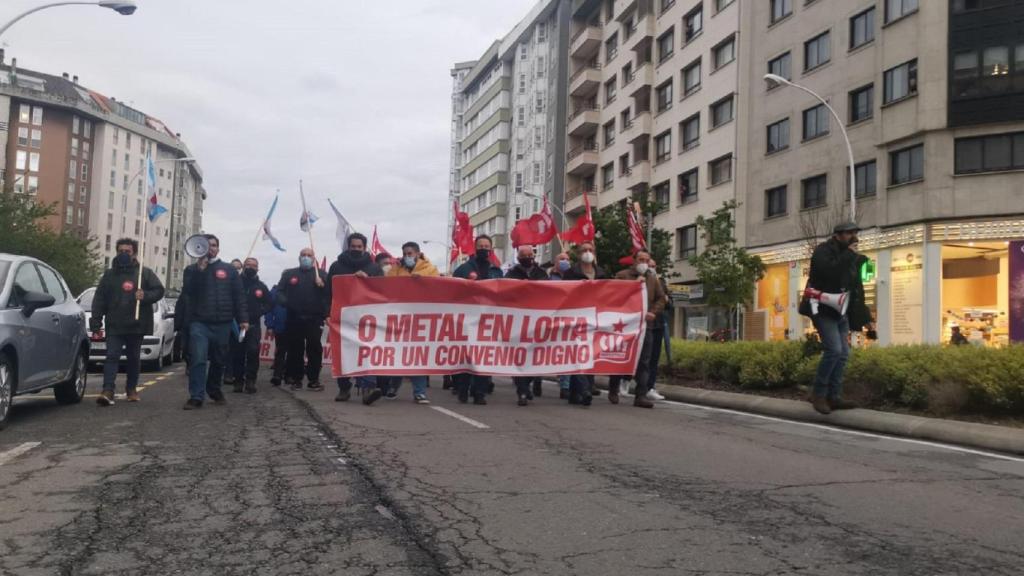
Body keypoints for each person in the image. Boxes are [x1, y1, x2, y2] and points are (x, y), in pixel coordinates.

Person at [90, 238, 165, 406]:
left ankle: (131, 388)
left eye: (128, 251)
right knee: (111, 356)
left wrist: (145, 296)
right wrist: (96, 322)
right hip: (114, 323)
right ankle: (108, 390)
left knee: (133, 358)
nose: (124, 254)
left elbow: (159, 290)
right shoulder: (109, 275)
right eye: (121, 251)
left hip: (136, 323)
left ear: (134, 254)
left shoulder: (143, 273)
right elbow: (100, 299)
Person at [181, 235, 247, 410]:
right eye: (207, 245)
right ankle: (196, 396)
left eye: (214, 245)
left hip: (223, 322)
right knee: (199, 359)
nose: (211, 248)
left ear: (218, 248)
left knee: (219, 360)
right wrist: (200, 271)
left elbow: (239, 296)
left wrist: (243, 319)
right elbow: (188, 291)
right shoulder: (191, 270)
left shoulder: (229, 270)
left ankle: (214, 389)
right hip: (199, 322)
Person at [804, 222, 860, 415]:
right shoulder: (823, 251)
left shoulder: (849, 255)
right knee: (834, 350)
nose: (852, 236)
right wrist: (850, 255)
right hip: (822, 307)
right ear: (837, 235)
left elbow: (852, 283)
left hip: (839, 308)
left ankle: (833, 396)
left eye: (854, 233)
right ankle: (818, 394)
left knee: (843, 353)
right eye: (849, 233)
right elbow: (830, 273)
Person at [329, 233, 385, 404]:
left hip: (366, 317)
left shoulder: (374, 268)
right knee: (343, 352)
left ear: (364, 247)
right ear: (348, 246)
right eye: (353, 246)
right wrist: (326, 313)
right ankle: (344, 388)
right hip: (342, 316)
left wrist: (367, 281)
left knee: (366, 351)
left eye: (359, 247)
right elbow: (328, 292)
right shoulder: (336, 266)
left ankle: (368, 388)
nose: (356, 249)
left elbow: (382, 292)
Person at [609, 249, 664, 409]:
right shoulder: (622, 275)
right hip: (625, 325)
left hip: (645, 325)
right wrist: (634, 285)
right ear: (634, 261)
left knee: (644, 361)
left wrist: (653, 312)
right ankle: (613, 388)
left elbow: (661, 298)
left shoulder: (653, 279)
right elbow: (613, 295)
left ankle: (640, 395)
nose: (644, 263)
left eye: (646, 260)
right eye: (641, 260)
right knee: (621, 356)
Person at [452, 235, 504, 404]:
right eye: (480, 245)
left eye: (486, 245)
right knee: (467, 355)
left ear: (491, 248)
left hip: (488, 319)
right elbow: (453, 291)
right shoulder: (463, 269)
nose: (484, 248)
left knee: (483, 356)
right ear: (475, 248)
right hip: (468, 318)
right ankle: (463, 388)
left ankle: (479, 392)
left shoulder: (496, 270)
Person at [386, 241, 440, 404]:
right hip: (400, 317)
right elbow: (387, 287)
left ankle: (420, 392)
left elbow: (438, 287)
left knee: (417, 356)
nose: (407, 257)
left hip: (420, 318)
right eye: (405, 254)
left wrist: (422, 280)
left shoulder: (430, 269)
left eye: (410, 253)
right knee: (399, 355)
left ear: (418, 253)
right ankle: (393, 388)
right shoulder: (396, 269)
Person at [277, 247, 330, 392]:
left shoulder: (322, 274)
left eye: (309, 255)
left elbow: (329, 295)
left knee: (314, 348)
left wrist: (323, 285)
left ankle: (313, 380)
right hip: (294, 317)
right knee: (295, 349)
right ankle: (296, 379)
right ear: (299, 257)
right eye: (303, 255)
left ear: (314, 258)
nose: (305, 257)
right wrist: (286, 302)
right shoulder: (290, 274)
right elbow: (279, 291)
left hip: (314, 318)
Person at [563, 241, 609, 405]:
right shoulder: (570, 273)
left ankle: (575, 393)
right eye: (584, 250)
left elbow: (609, 293)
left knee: (590, 354)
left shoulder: (602, 273)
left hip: (595, 319)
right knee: (578, 353)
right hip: (576, 318)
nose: (588, 252)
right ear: (578, 254)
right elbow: (563, 294)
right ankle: (585, 389)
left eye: (590, 250)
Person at [505, 245, 549, 406]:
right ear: (518, 258)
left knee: (536, 357)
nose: (528, 257)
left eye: (531, 254)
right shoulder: (512, 274)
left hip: (538, 319)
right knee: (520, 356)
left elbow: (550, 293)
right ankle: (522, 391)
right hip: (518, 320)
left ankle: (527, 385)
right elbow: (506, 293)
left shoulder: (542, 273)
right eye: (525, 255)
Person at [231, 257, 271, 394]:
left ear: (257, 268)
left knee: (253, 353)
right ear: (243, 266)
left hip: (253, 326)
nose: (250, 267)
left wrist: (260, 312)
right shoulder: (235, 284)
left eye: (254, 266)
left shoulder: (261, 287)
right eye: (248, 265)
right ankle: (238, 381)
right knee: (237, 354)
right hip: (237, 325)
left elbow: (269, 303)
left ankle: (250, 381)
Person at [643, 259, 668, 402]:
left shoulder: (661, 282)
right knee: (642, 358)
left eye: (653, 265)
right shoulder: (640, 280)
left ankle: (649, 387)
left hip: (657, 324)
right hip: (643, 324)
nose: (651, 268)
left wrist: (666, 300)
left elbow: (666, 301)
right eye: (649, 265)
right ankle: (625, 380)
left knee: (653, 358)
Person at [264, 285, 289, 386]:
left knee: (293, 352)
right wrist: (270, 325)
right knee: (281, 351)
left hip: (293, 326)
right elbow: (268, 310)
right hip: (281, 327)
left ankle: (289, 375)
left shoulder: (296, 291)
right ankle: (278, 375)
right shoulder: (274, 293)